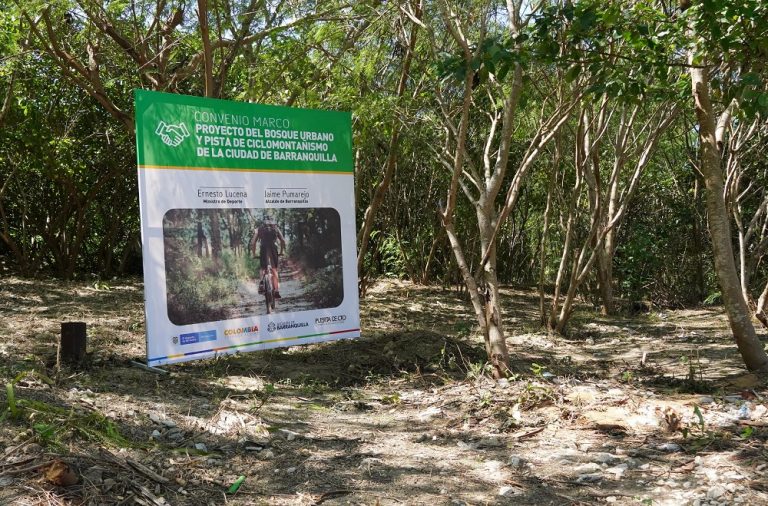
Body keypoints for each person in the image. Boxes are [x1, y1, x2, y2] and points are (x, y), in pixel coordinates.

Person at [250, 214, 286, 298]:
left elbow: (253, 243)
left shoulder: (259, 229)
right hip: (273, 248)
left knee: (263, 268)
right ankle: (276, 290)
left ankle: (262, 281)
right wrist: (281, 251)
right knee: (274, 269)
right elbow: (283, 241)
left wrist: (254, 254)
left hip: (263, 248)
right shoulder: (276, 228)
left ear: (264, 222)